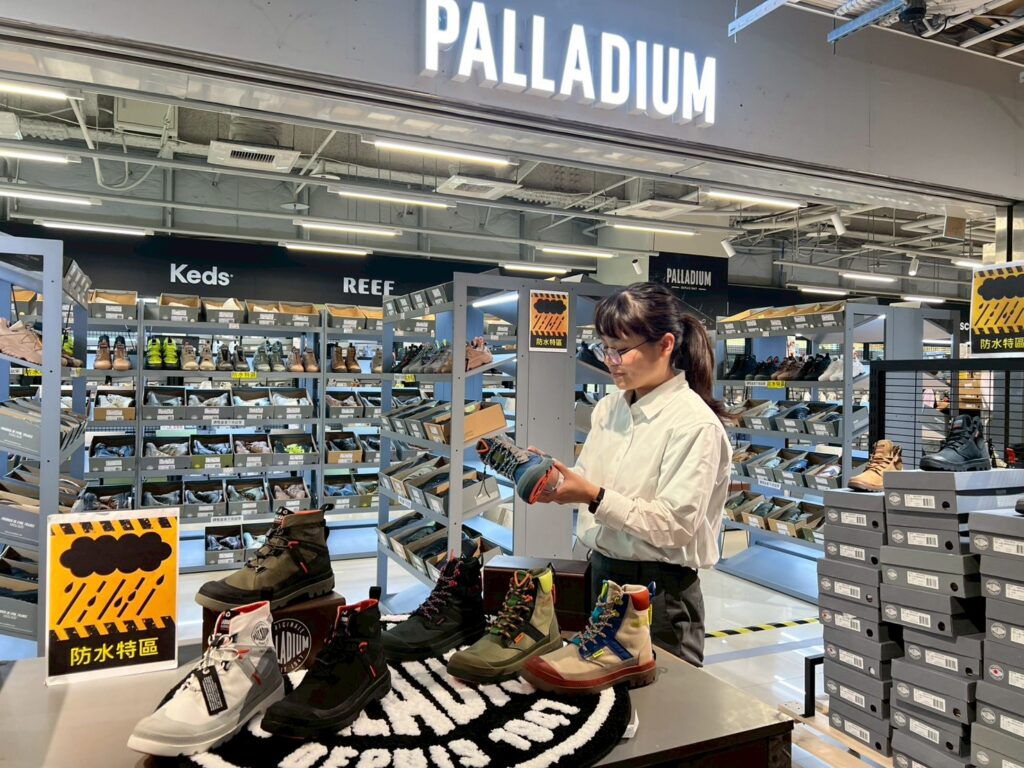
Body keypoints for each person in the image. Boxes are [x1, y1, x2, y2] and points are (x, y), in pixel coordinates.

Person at [535, 282, 731, 666]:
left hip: (659, 594)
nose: (611, 361)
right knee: (601, 696)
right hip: (601, 577)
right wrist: (558, 480)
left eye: (621, 350)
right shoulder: (609, 408)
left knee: (663, 699)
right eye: (604, 348)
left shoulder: (695, 425)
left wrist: (593, 496)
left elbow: (674, 526)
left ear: (666, 344)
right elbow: (591, 477)